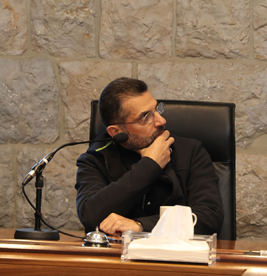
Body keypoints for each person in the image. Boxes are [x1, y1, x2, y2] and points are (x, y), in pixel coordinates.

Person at [75, 78, 224, 236]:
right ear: (117, 132)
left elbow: (210, 217)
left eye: (156, 109)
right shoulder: (95, 160)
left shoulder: (190, 151)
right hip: (119, 252)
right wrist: (149, 166)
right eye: (145, 117)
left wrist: (141, 227)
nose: (161, 121)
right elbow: (91, 217)